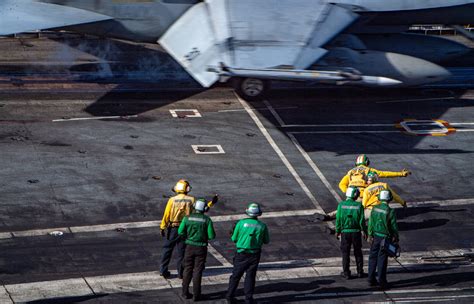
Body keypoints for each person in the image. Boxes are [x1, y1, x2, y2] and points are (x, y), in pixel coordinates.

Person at [317, 154, 410, 221]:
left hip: (352, 194)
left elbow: (341, 184)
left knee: (345, 207)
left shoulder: (350, 172)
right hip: (363, 195)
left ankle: (328, 216)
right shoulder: (369, 170)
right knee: (360, 213)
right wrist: (400, 174)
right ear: (367, 162)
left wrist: (349, 193)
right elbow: (385, 174)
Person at [159, 179, 218, 279]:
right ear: (187, 189)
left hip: (172, 228)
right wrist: (211, 203)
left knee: (167, 250)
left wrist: (162, 227)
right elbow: (201, 209)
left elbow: (166, 215)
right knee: (181, 252)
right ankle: (180, 273)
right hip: (185, 228)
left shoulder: (172, 200)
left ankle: (163, 271)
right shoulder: (192, 200)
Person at [226, 203, 270, 304]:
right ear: (258, 214)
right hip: (254, 254)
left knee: (235, 276)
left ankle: (229, 296)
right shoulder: (262, 226)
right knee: (250, 276)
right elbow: (266, 241)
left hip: (241, 253)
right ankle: (248, 299)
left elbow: (234, 238)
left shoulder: (241, 223)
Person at [179, 198, 216, 301]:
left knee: (187, 270)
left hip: (189, 247)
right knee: (198, 271)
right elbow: (211, 236)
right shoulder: (207, 220)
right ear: (204, 208)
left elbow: (180, 231)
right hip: (201, 248)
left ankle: (185, 293)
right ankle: (196, 295)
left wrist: (188, 236)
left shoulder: (187, 218)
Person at [367, 189, 399, 289]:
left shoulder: (374, 208)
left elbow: (370, 223)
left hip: (375, 236)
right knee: (382, 259)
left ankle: (371, 279)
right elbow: (394, 227)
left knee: (372, 257)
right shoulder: (390, 211)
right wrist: (396, 237)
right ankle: (382, 281)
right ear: (389, 199)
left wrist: (370, 234)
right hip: (385, 238)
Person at [335, 186, 367, 279]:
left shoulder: (341, 205)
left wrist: (337, 231)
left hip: (345, 233)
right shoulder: (359, 206)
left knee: (345, 253)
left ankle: (346, 273)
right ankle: (360, 271)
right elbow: (362, 221)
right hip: (356, 232)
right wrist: (364, 231)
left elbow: (338, 220)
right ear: (355, 195)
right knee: (358, 252)